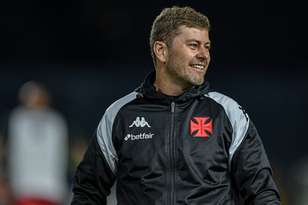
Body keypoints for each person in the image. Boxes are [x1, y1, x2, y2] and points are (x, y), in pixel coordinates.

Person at [71, 6, 281, 205]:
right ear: (161, 51)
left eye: (207, 46)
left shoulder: (228, 113)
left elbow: (261, 191)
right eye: (193, 45)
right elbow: (88, 191)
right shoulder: (120, 115)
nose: (204, 54)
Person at [8, 81, 69, 205]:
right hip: (27, 187)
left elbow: (60, 155)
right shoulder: (19, 119)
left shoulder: (55, 122)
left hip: (50, 188)